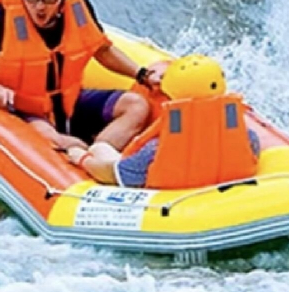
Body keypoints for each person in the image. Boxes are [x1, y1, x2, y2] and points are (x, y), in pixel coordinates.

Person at [0, 0, 169, 153]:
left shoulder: (78, 9)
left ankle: (97, 156)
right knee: (56, 140)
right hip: (26, 108)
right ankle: (79, 156)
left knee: (137, 105)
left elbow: (102, 51)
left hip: (69, 102)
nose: (40, 7)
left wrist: (142, 74)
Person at [68, 54, 261, 190]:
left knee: (99, 148)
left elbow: (115, 175)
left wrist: (81, 157)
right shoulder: (247, 137)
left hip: (168, 202)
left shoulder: (156, 149)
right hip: (218, 191)